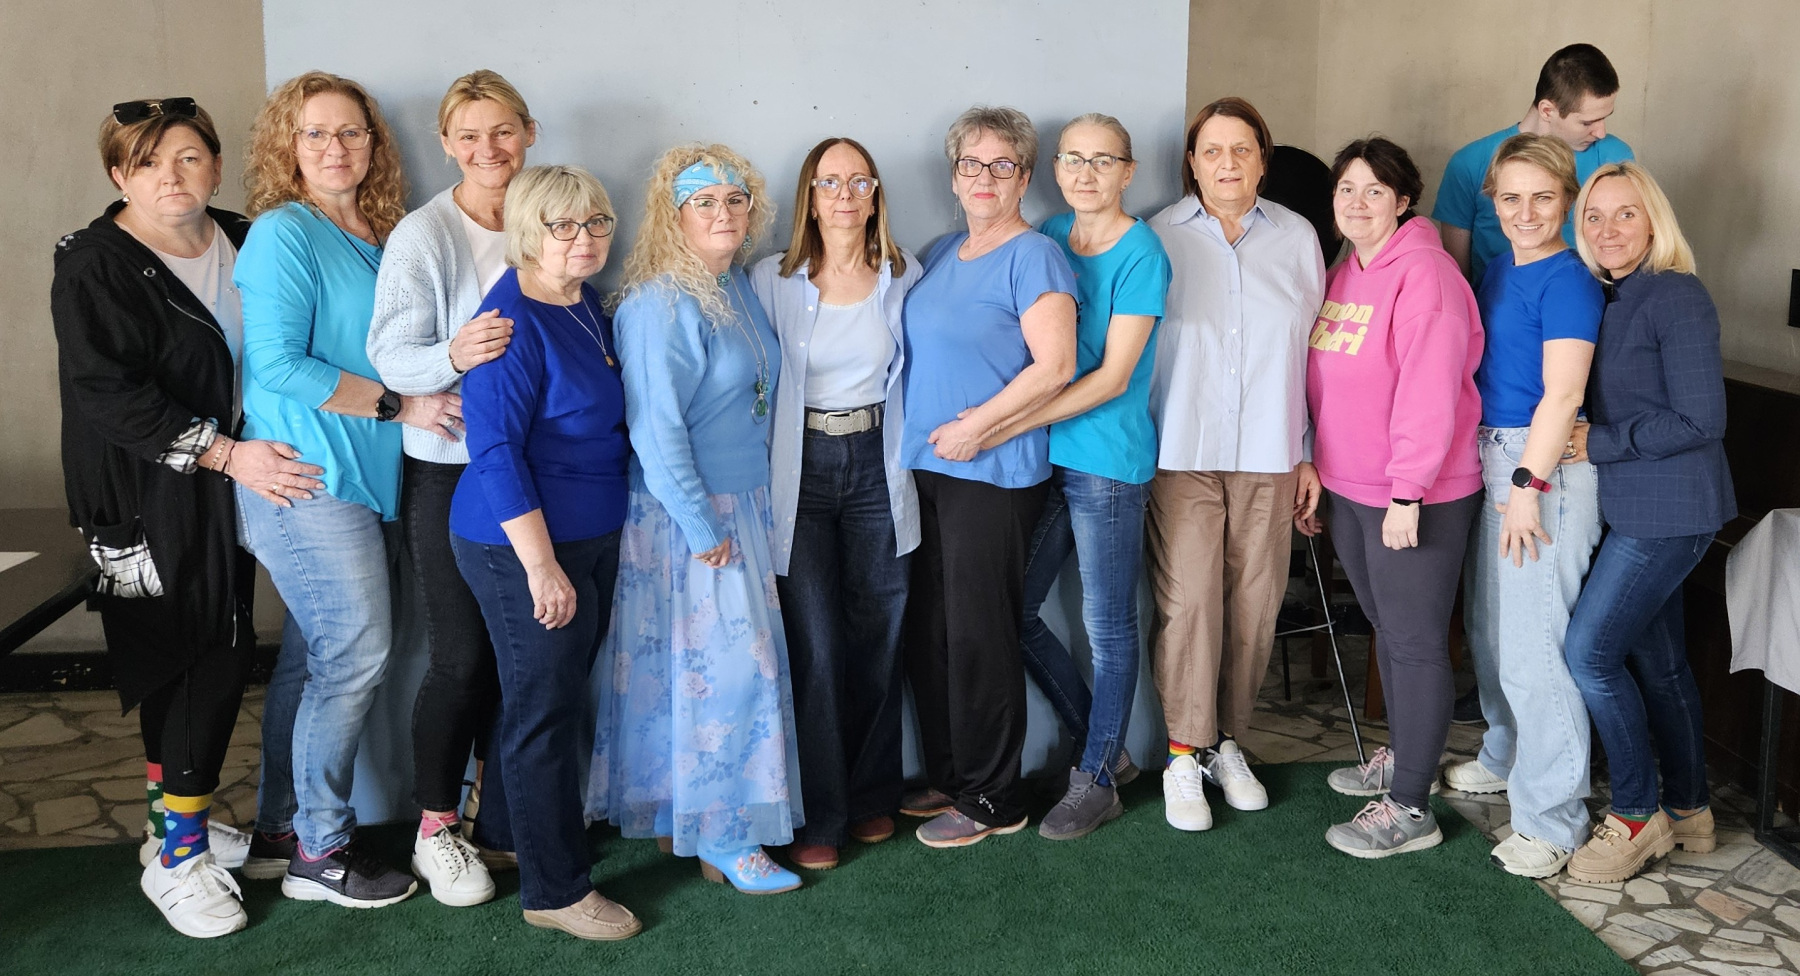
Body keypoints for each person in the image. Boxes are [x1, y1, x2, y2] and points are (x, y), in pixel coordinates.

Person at [51, 96, 324, 938]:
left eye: (188, 157)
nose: (170, 177)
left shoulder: (244, 237)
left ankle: (171, 825)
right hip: (146, 491)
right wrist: (227, 454)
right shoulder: (95, 264)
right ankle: (178, 858)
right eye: (146, 162)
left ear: (215, 165)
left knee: (206, 652)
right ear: (117, 175)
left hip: (224, 479)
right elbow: (106, 393)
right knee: (194, 657)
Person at [234, 71, 457, 908]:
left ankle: (278, 830)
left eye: (352, 132)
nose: (335, 147)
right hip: (308, 478)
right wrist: (404, 404)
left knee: (312, 659)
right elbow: (277, 364)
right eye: (316, 133)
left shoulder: (383, 232)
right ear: (286, 147)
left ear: (374, 143)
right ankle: (321, 852)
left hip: (370, 478)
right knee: (357, 652)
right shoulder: (283, 232)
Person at [589, 144, 804, 894]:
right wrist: (700, 525)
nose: (723, 212)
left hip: (741, 502)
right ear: (673, 215)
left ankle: (696, 820)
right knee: (727, 677)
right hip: (689, 516)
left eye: (735, 198)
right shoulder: (659, 302)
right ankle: (726, 834)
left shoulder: (735, 285)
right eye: (703, 200)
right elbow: (655, 429)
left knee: (703, 674)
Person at [449, 165, 641, 939]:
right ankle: (555, 892)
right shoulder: (508, 323)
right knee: (547, 712)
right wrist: (540, 566)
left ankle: (504, 834)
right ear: (528, 232)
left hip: (588, 533)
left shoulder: (584, 299)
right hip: (519, 545)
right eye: (563, 226)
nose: (583, 239)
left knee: (540, 697)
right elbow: (494, 452)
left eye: (596, 222)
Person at [367, 68, 537, 906]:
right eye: (468, 136)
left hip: (533, 471)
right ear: (446, 144)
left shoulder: (544, 210)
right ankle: (437, 829)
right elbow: (389, 354)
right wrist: (453, 355)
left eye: (502, 131)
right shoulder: (424, 234)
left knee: (524, 657)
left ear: (528, 133)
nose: (487, 148)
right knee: (462, 656)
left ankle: (501, 818)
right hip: (451, 472)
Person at [897, 105, 1077, 849]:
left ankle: (996, 797)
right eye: (971, 163)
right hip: (926, 469)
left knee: (978, 635)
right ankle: (952, 775)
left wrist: (979, 427)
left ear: (1024, 178)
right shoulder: (942, 251)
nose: (984, 177)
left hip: (993, 473)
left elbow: (1057, 368)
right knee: (932, 631)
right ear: (953, 175)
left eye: (1002, 165)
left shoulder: (1034, 256)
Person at [1145, 97, 1324, 832]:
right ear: (1192, 162)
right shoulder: (1158, 235)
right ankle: (1182, 753)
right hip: (1181, 450)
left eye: (1242, 150)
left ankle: (1227, 743)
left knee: (1255, 604)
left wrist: (1309, 453)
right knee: (1189, 603)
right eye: (1212, 151)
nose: (1227, 164)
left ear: (1262, 160)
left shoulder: (1298, 236)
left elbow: (1314, 352)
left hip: (1271, 451)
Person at [994, 113, 1170, 840]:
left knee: (1108, 628)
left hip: (1107, 464)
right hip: (1046, 460)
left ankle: (1094, 781)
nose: (1086, 173)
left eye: (1103, 160)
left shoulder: (1142, 252)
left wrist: (1012, 422)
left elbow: (1113, 377)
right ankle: (1108, 753)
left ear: (1128, 171)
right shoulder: (1049, 235)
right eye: (1073, 158)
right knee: (1013, 609)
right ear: (1055, 168)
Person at [1309, 137, 1485, 858]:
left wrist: (1408, 492)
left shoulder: (1428, 275)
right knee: (1388, 627)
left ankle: (1412, 806)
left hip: (1413, 494)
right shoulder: (1344, 270)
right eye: (1346, 189)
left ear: (1404, 200)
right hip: (1349, 485)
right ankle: (1408, 755)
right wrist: (1316, 468)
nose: (1357, 203)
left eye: (1374, 191)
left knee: (1414, 643)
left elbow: (1429, 390)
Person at [749, 137, 921, 871]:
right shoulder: (771, 278)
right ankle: (820, 812)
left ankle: (873, 792)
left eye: (858, 181)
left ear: (876, 194)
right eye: (828, 182)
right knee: (816, 644)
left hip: (879, 459)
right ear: (809, 197)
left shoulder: (904, 275)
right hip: (802, 467)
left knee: (880, 628)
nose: (844, 194)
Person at [1560, 162, 1734, 883]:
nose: (1608, 230)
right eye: (1594, 216)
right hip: (1640, 506)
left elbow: (1702, 420)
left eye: (1625, 214)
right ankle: (1690, 809)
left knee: (1590, 654)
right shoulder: (1616, 294)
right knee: (1658, 664)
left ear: (1655, 220)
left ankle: (1636, 816)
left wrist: (1599, 441)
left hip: (1673, 511)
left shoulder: (1676, 293)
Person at [1438, 134, 1605, 879]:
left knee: (1537, 646)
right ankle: (1505, 754)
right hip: (1491, 454)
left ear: (1567, 199)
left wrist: (1528, 489)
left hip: (1541, 469)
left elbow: (1564, 394)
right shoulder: (1502, 268)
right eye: (1511, 198)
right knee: (1492, 630)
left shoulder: (1569, 280)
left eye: (1542, 197)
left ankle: (1553, 820)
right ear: (1492, 202)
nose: (1526, 212)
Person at [1434, 43, 1633, 287]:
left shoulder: (1615, 156)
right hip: (1493, 304)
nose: (1601, 132)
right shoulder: (1469, 163)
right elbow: (1455, 278)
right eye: (1587, 122)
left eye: (1604, 118)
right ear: (1547, 110)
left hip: (1593, 300)